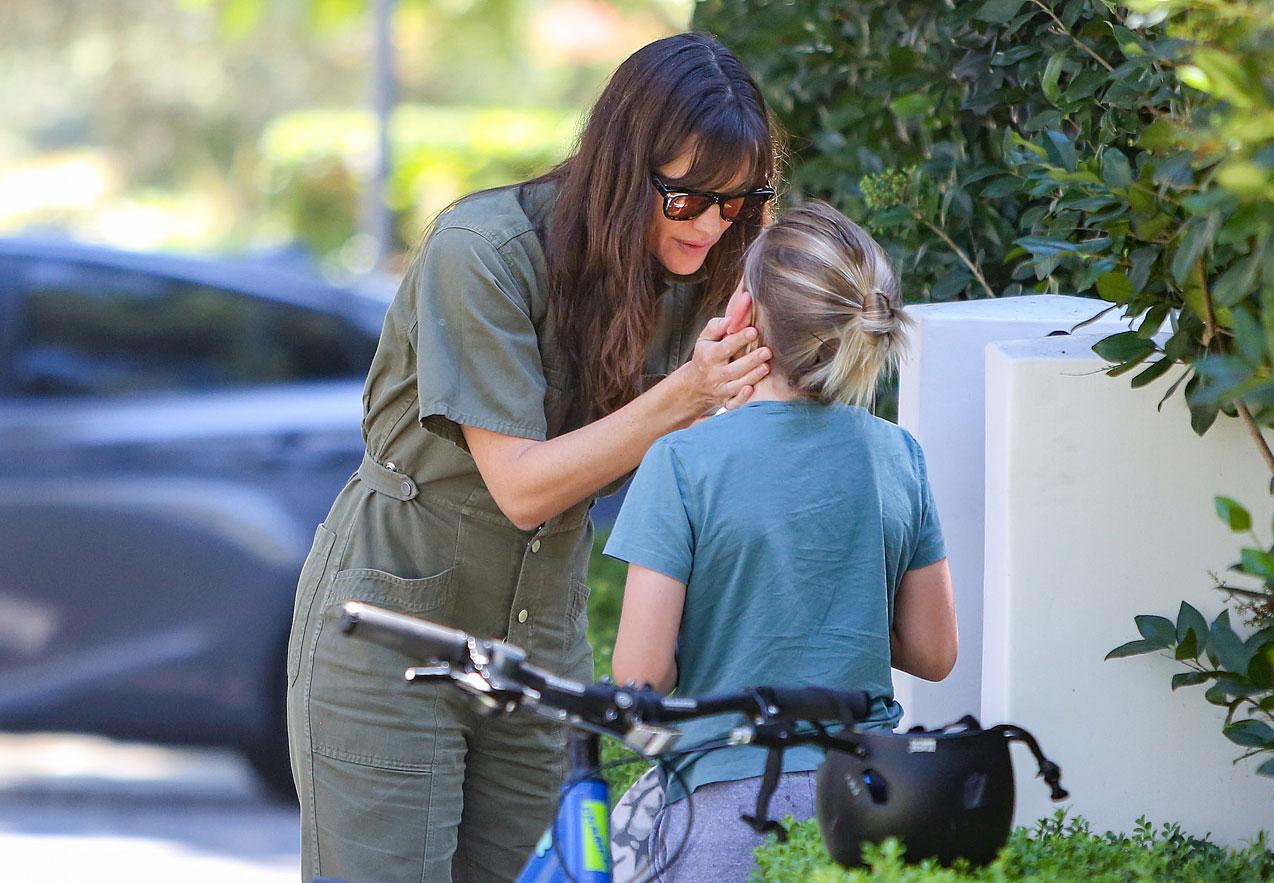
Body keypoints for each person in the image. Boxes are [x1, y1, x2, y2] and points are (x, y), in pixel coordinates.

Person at [285, 33, 780, 883]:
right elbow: (521, 486)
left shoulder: (695, 270)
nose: (711, 223)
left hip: (540, 655)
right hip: (393, 639)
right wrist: (688, 395)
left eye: (738, 203)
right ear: (626, 168)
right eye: (688, 198)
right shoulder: (480, 253)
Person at [605, 201, 959, 881]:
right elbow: (934, 650)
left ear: (749, 316)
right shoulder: (897, 456)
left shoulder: (684, 461)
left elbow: (640, 679)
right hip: (870, 809)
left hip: (723, 810)